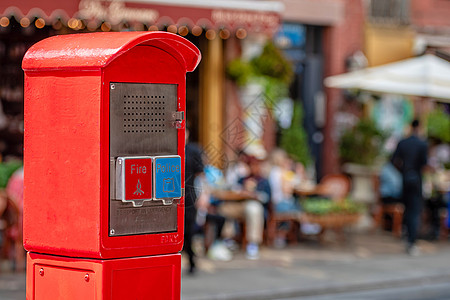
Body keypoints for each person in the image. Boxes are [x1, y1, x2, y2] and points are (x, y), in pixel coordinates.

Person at [219, 155, 270, 260]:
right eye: (251, 166)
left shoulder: (263, 181)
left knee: (254, 209)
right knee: (224, 209)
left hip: (255, 205)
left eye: (255, 166)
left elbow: (267, 198)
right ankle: (227, 239)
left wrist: (255, 194)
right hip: (241, 204)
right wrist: (241, 191)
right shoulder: (242, 179)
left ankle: (253, 243)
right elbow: (234, 189)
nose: (253, 168)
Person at [392, 119, 428, 256]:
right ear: (419, 127)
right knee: (414, 211)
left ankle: (406, 236)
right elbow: (424, 164)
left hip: (405, 179)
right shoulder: (422, 144)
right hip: (416, 180)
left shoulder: (403, 142)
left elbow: (394, 161)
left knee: (407, 209)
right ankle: (411, 242)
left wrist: (403, 172)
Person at [184, 126, 204, 274]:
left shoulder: (193, 150)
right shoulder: (169, 148)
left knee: (188, 231)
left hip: (190, 196)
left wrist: (203, 195)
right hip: (171, 196)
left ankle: (191, 261)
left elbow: (201, 176)